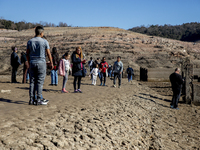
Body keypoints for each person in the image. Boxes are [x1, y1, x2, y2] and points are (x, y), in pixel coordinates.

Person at [26, 26, 53, 105]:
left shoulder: (30, 41)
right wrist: (51, 62)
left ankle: (31, 99)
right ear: (41, 33)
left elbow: (27, 53)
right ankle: (38, 98)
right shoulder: (44, 41)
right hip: (41, 63)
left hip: (32, 62)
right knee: (40, 82)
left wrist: (29, 61)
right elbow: (48, 53)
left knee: (32, 81)